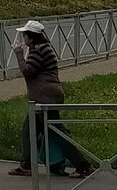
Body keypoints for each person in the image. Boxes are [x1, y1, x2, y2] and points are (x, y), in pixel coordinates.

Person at [8, 18, 94, 179]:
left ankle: (83, 165)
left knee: (56, 132)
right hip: (43, 97)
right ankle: (26, 165)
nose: (23, 39)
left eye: (25, 35)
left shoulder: (39, 50)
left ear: (31, 37)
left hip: (45, 98)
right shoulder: (42, 48)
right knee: (29, 130)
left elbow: (28, 71)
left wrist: (19, 54)